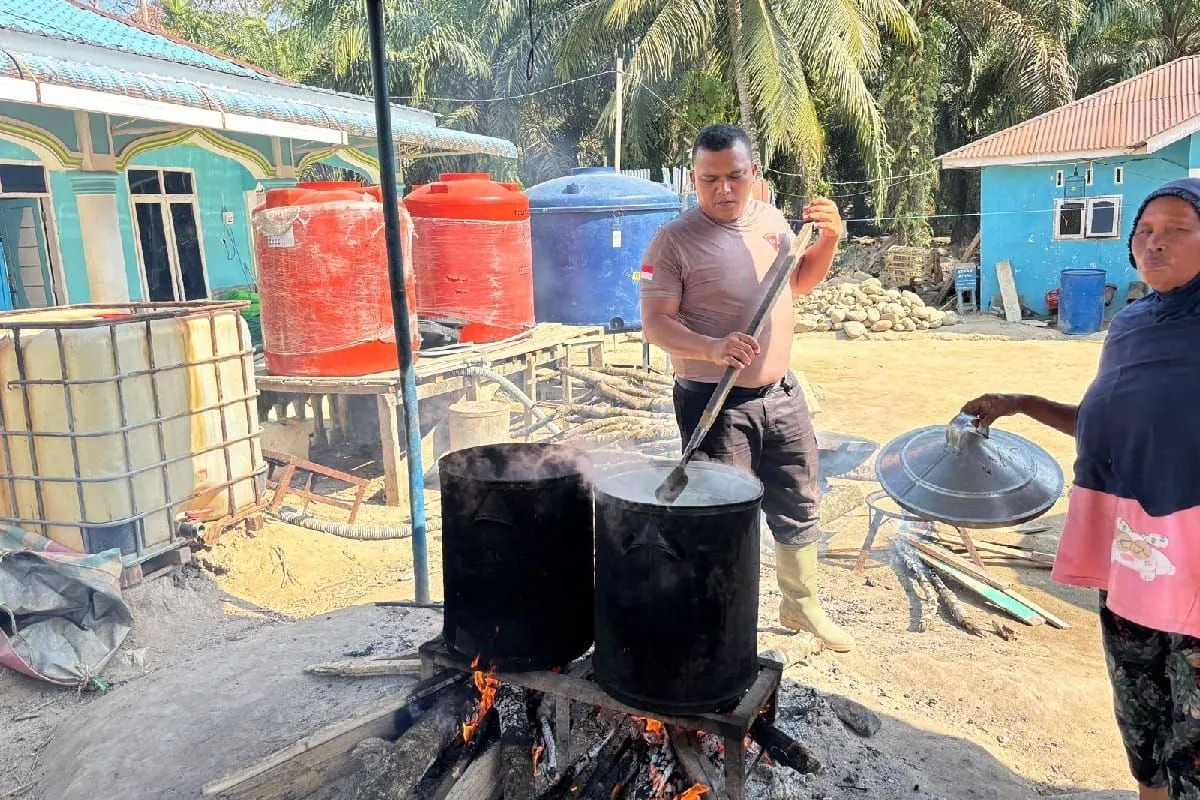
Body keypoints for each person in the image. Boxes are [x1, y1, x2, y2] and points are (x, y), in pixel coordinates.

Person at [961, 177, 1200, 800]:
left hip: (1193, 553)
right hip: (1131, 549)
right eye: (1145, 231)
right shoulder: (1132, 327)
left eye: (1178, 229)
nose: (1155, 243)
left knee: (1196, 726)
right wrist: (1023, 403)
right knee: (1139, 704)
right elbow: (1108, 423)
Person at [638, 123, 853, 652]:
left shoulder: (774, 221)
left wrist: (830, 240)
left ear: (754, 173)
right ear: (694, 179)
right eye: (710, 179)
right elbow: (655, 324)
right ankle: (723, 624)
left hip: (781, 396)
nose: (724, 189)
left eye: (735, 176)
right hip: (715, 403)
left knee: (800, 501)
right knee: (724, 518)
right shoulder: (672, 242)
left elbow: (796, 284)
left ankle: (801, 606)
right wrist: (712, 348)